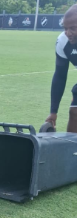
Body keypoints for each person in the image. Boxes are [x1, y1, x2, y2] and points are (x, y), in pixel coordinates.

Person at [45, 4, 77, 133]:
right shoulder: (63, 42)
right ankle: (71, 151)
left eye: (73, 28)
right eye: (65, 28)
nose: (68, 33)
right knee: (74, 112)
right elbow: (60, 75)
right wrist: (53, 112)